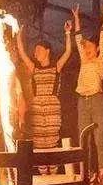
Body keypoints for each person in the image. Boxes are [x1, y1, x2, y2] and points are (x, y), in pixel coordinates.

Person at [15, 18, 73, 172]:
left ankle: (53, 174)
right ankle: (43, 175)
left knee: (52, 140)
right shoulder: (34, 68)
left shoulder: (56, 67)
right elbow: (22, 54)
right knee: (39, 141)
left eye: (39, 50)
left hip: (52, 107)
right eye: (35, 51)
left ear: (47, 51)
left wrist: (68, 33)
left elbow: (68, 52)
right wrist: (19, 37)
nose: (36, 53)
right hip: (37, 109)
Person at [71, 1, 103, 185]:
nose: (87, 49)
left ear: (96, 49)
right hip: (83, 100)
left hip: (97, 100)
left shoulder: (100, 60)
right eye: (86, 47)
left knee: (100, 138)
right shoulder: (84, 60)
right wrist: (76, 19)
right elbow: (78, 39)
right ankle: (88, 176)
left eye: (90, 46)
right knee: (84, 140)